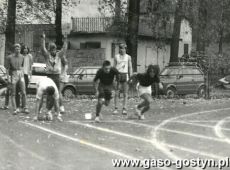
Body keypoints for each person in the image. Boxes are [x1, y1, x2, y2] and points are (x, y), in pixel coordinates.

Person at [41, 32, 67, 113]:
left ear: (56, 49)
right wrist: (43, 39)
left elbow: (64, 48)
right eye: (51, 49)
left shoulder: (59, 55)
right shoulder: (47, 55)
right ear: (49, 50)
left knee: (58, 91)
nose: (53, 51)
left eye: (54, 49)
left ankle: (61, 106)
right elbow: (43, 48)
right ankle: (48, 108)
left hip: (56, 75)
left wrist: (65, 39)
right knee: (49, 92)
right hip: (49, 76)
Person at [5, 44, 29, 114]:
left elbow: (22, 66)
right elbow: (7, 68)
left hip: (20, 74)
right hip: (13, 74)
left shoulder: (22, 57)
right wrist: (8, 77)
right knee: (13, 93)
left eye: (19, 49)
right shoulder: (9, 57)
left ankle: (25, 107)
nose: (18, 50)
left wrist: (23, 74)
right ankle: (15, 109)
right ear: (14, 50)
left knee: (24, 92)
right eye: (16, 49)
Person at [113, 43, 133, 115]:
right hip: (118, 75)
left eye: (124, 48)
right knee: (116, 93)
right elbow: (114, 67)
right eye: (121, 48)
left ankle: (124, 108)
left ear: (125, 49)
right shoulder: (116, 57)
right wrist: (113, 77)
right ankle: (116, 108)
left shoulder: (128, 57)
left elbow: (130, 67)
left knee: (125, 93)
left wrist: (131, 77)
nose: (122, 50)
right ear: (119, 49)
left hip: (125, 75)